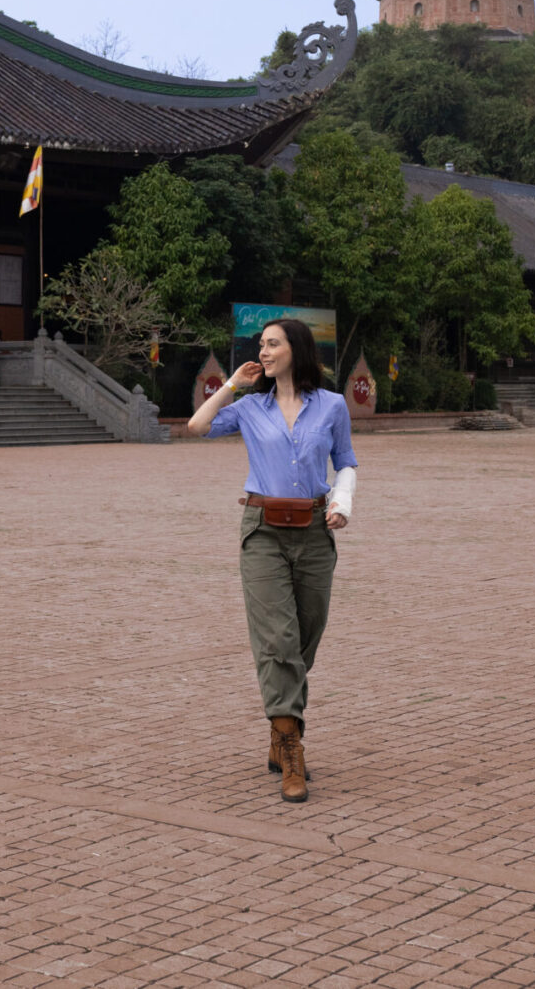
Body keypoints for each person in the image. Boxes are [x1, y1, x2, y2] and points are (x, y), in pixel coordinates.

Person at [187, 317, 357, 802]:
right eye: (260, 345)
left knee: (305, 637)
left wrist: (343, 504)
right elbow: (197, 426)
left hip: (316, 531)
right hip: (262, 531)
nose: (263, 352)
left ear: (296, 350)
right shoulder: (249, 409)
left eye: (272, 344)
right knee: (278, 640)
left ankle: (280, 726)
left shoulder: (332, 406)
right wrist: (233, 385)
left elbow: (345, 460)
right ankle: (291, 746)